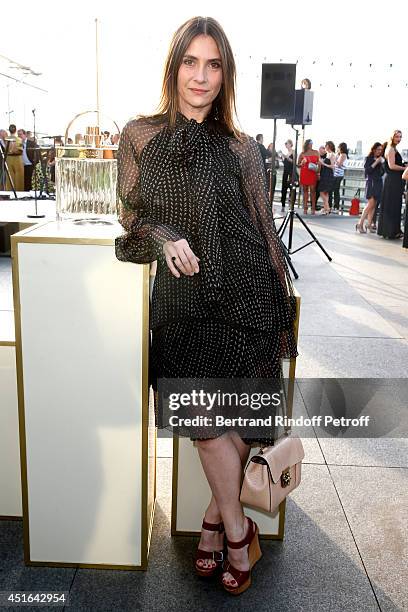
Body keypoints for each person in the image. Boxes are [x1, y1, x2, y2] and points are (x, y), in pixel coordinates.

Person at [115, 16, 297, 595]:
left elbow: (266, 231)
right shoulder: (140, 135)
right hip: (183, 302)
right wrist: (165, 236)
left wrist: (282, 310)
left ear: (226, 75)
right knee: (202, 423)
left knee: (235, 421)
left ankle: (215, 524)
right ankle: (241, 531)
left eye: (213, 64)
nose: (201, 75)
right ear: (173, 68)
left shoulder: (244, 148)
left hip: (246, 298)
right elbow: (131, 222)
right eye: (190, 62)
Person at [377, 130, 405, 240]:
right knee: (392, 206)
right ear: (392, 137)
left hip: (393, 180)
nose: (399, 139)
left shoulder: (392, 148)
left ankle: (391, 231)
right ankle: (391, 231)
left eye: (400, 137)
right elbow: (392, 166)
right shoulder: (391, 149)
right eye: (397, 137)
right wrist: (405, 168)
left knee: (392, 205)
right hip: (392, 181)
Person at [355, 142, 384, 233]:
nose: (380, 151)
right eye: (378, 149)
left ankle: (369, 224)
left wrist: (382, 163)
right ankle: (360, 223)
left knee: (374, 205)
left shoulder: (381, 160)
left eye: (381, 150)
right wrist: (376, 162)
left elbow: (383, 172)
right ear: (374, 149)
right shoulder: (369, 159)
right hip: (371, 182)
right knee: (370, 204)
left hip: (378, 182)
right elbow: (368, 170)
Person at [298, 138, 320, 214]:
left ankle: (313, 209)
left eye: (312, 143)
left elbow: (319, 164)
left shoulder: (316, 152)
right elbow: (298, 165)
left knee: (313, 191)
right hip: (304, 172)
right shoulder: (302, 153)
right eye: (310, 143)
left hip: (312, 173)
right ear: (307, 144)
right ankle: (305, 208)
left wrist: (318, 173)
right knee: (305, 191)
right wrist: (302, 163)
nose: (311, 144)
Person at [5, 124, 24, 191]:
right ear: (15, 130)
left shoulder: (6, 139)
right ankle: (19, 192)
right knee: (19, 177)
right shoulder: (19, 139)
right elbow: (20, 150)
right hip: (17, 159)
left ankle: (10, 192)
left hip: (8, 159)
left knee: (9, 177)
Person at [318, 143, 335, 215]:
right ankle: (326, 209)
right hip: (324, 174)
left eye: (326, 146)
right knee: (325, 193)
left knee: (322, 191)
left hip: (328, 175)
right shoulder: (327, 154)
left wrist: (323, 163)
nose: (325, 147)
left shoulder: (332, 154)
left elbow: (332, 166)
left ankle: (327, 208)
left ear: (329, 146)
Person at [332, 142, 348, 213]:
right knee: (335, 191)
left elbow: (339, 164)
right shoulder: (340, 155)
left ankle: (336, 207)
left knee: (336, 191)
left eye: (338, 147)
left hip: (338, 175)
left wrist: (334, 158)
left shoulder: (343, 155)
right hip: (336, 175)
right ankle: (335, 207)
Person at [280, 139, 294, 212]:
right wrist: (282, 157)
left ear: (290, 144)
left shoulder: (293, 152)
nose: (285, 145)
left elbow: (294, 162)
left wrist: (287, 157)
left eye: (287, 143)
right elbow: (285, 163)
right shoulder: (286, 152)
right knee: (284, 188)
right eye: (285, 143)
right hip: (285, 172)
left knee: (292, 188)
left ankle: (290, 205)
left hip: (291, 172)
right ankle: (283, 205)